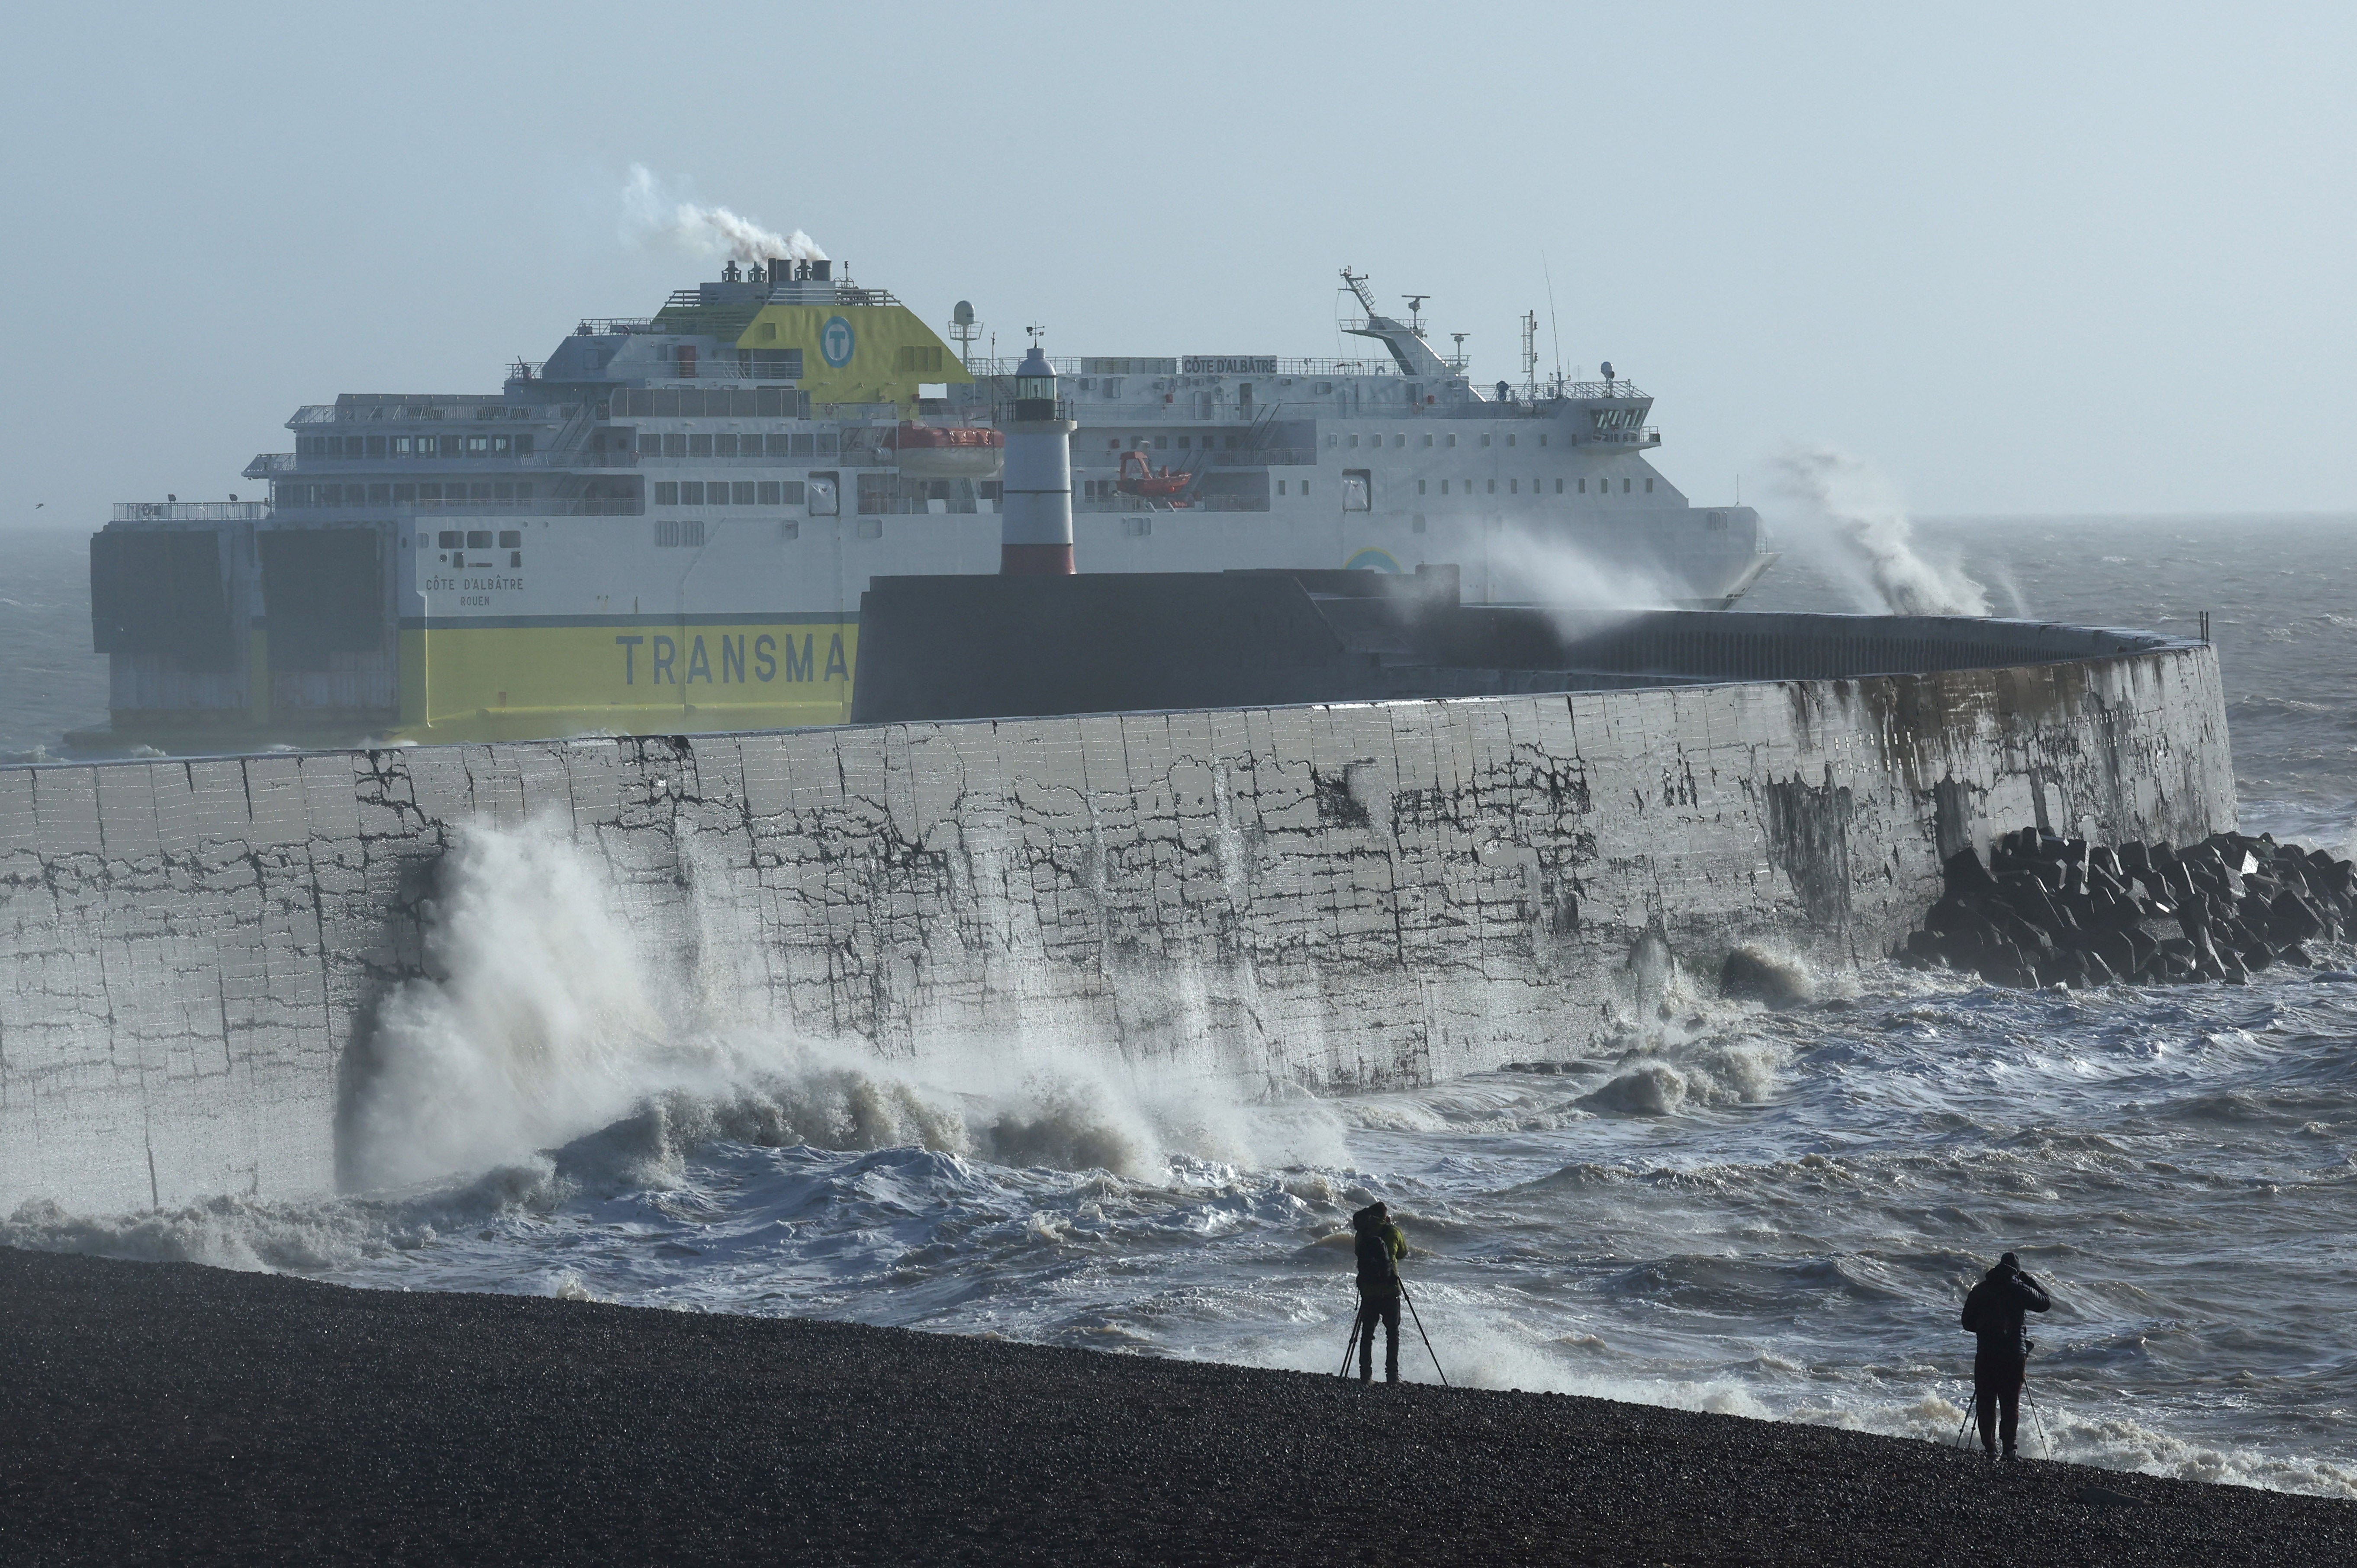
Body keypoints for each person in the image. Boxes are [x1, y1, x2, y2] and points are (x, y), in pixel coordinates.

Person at [1960, 1251, 2053, 1460]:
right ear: (2016, 1272)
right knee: (2010, 1403)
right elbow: (2045, 1303)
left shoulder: (1981, 1290)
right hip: (2014, 1354)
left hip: (1986, 1352)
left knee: (1986, 1401)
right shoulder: (2019, 1288)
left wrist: (1986, 1330)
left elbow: (1967, 1323)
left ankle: (1990, 1450)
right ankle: (2009, 1450)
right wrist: (2027, 1279)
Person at [1351, 1201, 1408, 1385]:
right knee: (1393, 1333)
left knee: (1367, 1333)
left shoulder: (1361, 1234)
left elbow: (1357, 1253)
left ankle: (1365, 1376)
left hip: (1368, 1291)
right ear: (1385, 1217)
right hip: (1390, 1290)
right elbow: (1403, 1254)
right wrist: (1391, 1228)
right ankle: (1392, 1376)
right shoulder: (1393, 1232)